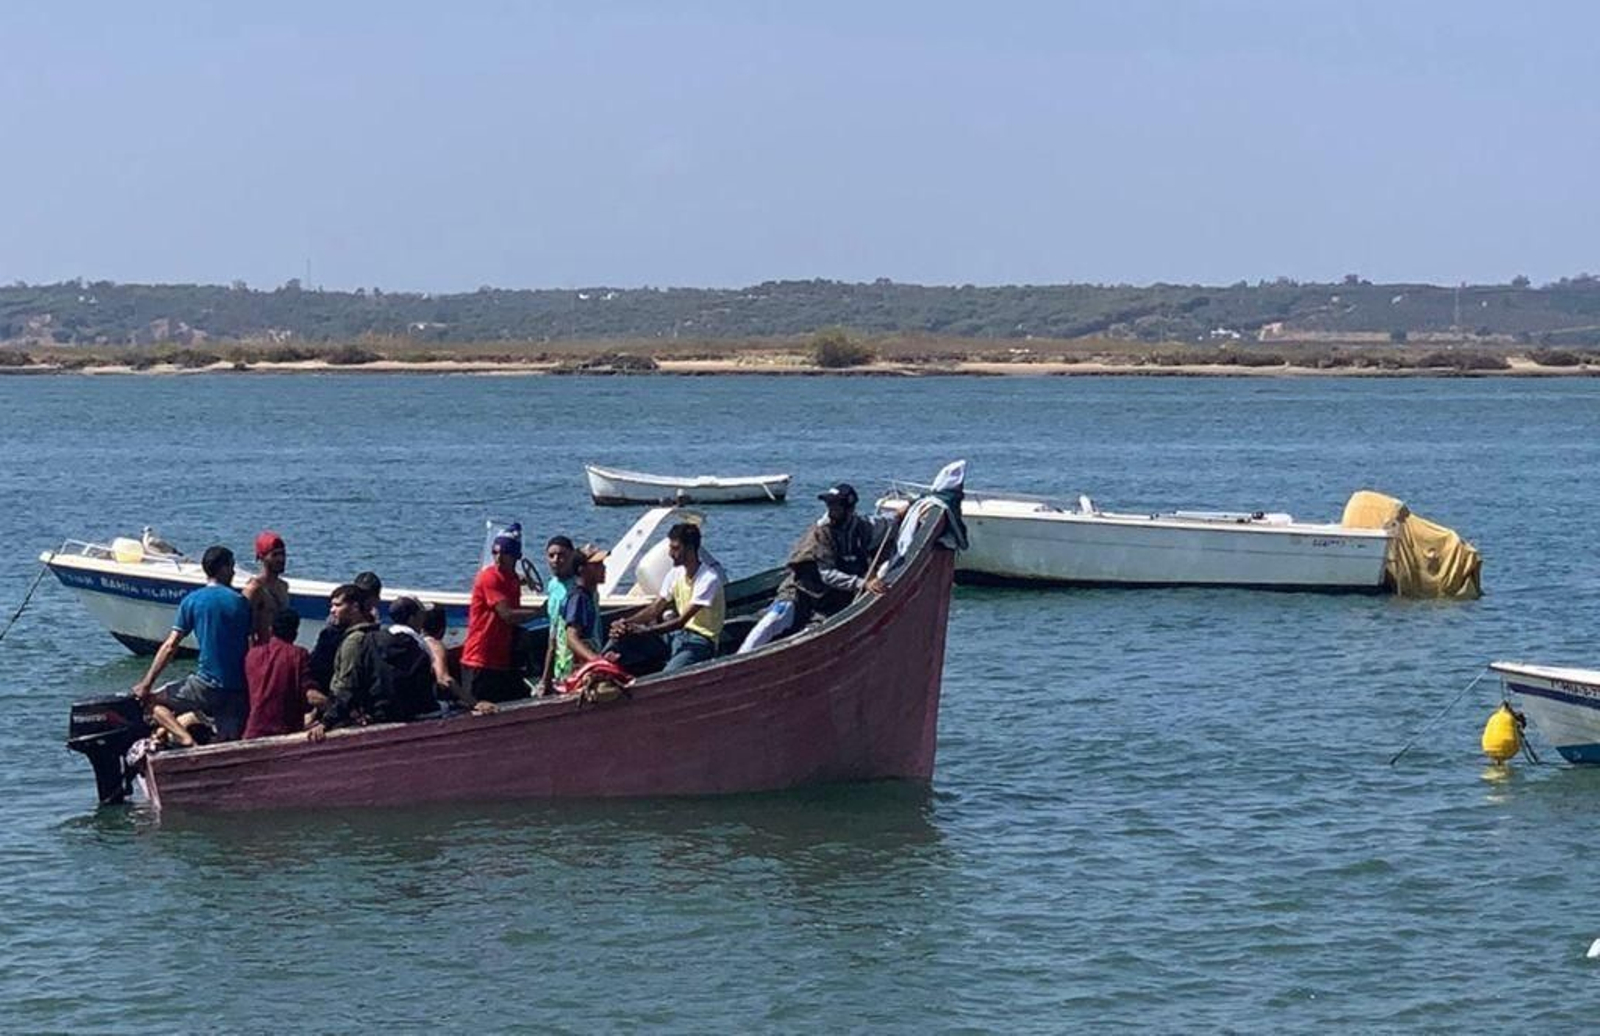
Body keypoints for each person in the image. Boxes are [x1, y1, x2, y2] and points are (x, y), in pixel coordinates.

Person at [739, 482, 901, 653]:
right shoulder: (821, 532)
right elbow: (827, 574)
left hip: (833, 599)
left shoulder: (861, 527)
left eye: (836, 506)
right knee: (773, 619)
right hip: (801, 591)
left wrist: (902, 514)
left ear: (849, 509)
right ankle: (740, 659)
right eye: (829, 505)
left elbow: (887, 524)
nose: (831, 510)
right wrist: (863, 584)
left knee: (811, 635)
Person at [132, 545, 253, 744]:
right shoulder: (240, 603)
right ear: (222, 568)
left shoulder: (192, 601)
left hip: (204, 686)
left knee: (150, 702)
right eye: (231, 566)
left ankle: (186, 740)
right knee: (228, 741)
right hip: (237, 688)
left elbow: (170, 646)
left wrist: (146, 685)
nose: (233, 571)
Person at [311, 590, 435, 735]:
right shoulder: (418, 645)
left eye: (337, 605)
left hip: (372, 712)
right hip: (405, 714)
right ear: (413, 618)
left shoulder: (371, 640)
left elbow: (350, 684)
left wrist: (328, 720)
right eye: (421, 615)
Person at [610, 522, 724, 674]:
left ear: (690, 549)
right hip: (676, 635)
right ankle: (599, 668)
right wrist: (626, 623)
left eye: (675, 548)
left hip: (700, 641)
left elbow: (680, 621)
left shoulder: (708, 579)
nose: (670, 554)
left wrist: (643, 631)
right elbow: (655, 608)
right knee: (621, 639)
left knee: (668, 675)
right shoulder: (675, 574)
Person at [459, 526, 543, 703]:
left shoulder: (511, 576)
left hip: (501, 659)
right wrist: (540, 613)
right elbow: (507, 615)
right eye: (495, 552)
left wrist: (526, 580)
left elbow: (514, 579)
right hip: (480, 659)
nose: (498, 557)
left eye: (504, 553)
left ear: (515, 556)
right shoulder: (489, 577)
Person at [243, 608, 316, 739]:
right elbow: (309, 695)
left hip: (254, 729)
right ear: (295, 633)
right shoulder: (299, 655)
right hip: (285, 732)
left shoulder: (252, 654)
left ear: (271, 630)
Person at [419, 601, 495, 715]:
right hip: (436, 703)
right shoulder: (435, 646)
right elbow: (444, 679)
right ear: (443, 627)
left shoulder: (416, 643)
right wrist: (475, 703)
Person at [559, 544, 610, 673]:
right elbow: (571, 638)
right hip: (579, 671)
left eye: (602, 564)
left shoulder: (591, 596)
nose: (603, 568)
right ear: (581, 569)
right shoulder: (578, 599)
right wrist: (597, 660)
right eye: (596, 565)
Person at [538, 536, 579, 696]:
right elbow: (553, 634)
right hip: (559, 665)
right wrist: (545, 679)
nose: (556, 560)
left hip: (577, 663)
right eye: (551, 556)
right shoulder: (553, 585)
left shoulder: (579, 587)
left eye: (562, 555)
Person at [308, 583, 364, 694]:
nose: (332, 610)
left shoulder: (362, 638)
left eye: (338, 605)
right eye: (332, 606)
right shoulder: (329, 635)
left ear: (355, 607)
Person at [241, 531, 290, 646]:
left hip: (281, 650)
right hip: (262, 651)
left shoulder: (283, 586)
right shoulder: (254, 589)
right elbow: (245, 629)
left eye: (283, 554)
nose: (281, 559)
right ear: (261, 557)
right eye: (275, 555)